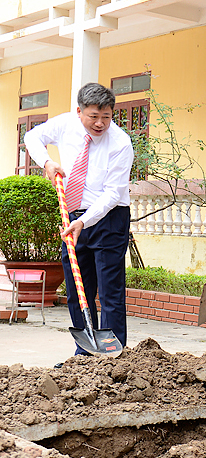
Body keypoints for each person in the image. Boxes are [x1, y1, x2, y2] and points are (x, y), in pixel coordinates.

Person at [24, 82, 133, 355]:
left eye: (106, 117)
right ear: (79, 111)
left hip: (109, 218)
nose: (99, 123)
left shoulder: (120, 143)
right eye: (93, 116)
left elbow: (111, 195)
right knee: (76, 289)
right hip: (72, 215)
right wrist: (47, 163)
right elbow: (32, 138)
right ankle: (84, 353)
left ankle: (113, 355)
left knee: (110, 291)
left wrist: (85, 222)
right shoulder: (64, 124)